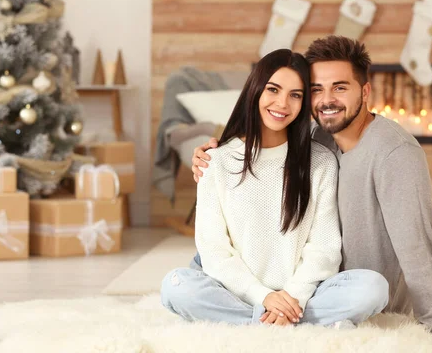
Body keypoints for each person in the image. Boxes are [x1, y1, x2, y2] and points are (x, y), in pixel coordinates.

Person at [191, 36, 432, 334]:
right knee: (192, 270)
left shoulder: (395, 153)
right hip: (309, 284)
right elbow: (266, 133)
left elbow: (416, 246)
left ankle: (263, 316)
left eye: (340, 88)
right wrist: (211, 153)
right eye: (316, 90)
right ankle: (273, 312)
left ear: (365, 91)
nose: (327, 100)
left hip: (351, 288)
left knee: (371, 288)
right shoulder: (317, 136)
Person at [161, 49, 389, 328]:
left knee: (373, 288)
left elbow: (324, 249)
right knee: (176, 286)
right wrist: (264, 297)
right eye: (273, 89)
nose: (282, 103)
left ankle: (255, 324)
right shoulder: (216, 161)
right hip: (237, 293)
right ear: (255, 90)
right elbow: (214, 251)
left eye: (295, 95)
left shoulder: (320, 162)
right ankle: (288, 323)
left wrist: (292, 296)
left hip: (302, 296)